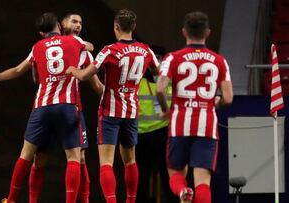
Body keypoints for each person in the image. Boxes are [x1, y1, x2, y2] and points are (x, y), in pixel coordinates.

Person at [0, 12, 102, 203]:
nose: (78, 25)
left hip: (42, 108)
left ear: (41, 33)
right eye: (74, 21)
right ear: (60, 24)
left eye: (80, 22)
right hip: (68, 107)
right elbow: (91, 53)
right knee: (74, 158)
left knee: (28, 155)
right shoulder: (77, 45)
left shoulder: (37, 47)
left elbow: (18, 71)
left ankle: (12, 199)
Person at [66, 9, 160, 203]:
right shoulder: (146, 50)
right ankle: (131, 201)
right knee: (130, 160)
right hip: (131, 111)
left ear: (116, 27)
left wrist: (73, 69)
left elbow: (85, 75)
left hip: (110, 111)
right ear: (133, 27)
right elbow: (158, 70)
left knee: (106, 163)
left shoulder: (110, 50)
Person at [156, 11, 233, 203]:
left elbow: (159, 89)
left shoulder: (173, 58)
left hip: (179, 123)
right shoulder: (219, 60)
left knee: (175, 172)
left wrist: (166, 109)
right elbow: (229, 98)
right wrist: (217, 102)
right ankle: (190, 192)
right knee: (203, 183)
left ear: (184, 32)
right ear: (208, 32)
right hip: (206, 126)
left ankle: (183, 191)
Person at [135, 47, 176, 203]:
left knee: (168, 176)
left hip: (163, 135)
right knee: (141, 179)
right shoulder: (137, 82)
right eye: (153, 58)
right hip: (141, 137)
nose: (156, 62)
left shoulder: (171, 82)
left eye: (159, 58)